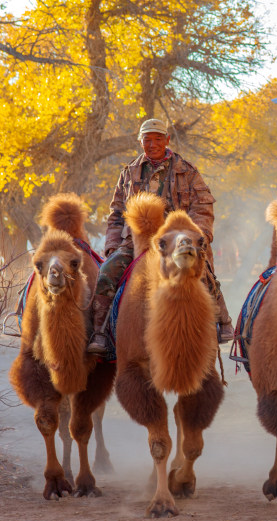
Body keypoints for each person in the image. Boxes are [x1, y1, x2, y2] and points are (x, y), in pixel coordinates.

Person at [87, 118, 233, 354]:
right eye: (147, 139)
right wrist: (113, 246)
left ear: (167, 140)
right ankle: (100, 332)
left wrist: (199, 237)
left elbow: (203, 208)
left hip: (175, 240)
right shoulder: (128, 173)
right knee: (106, 273)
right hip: (135, 241)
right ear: (140, 142)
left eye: (157, 139)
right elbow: (115, 213)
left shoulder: (188, 171)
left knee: (202, 270)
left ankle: (222, 322)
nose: (152, 144)